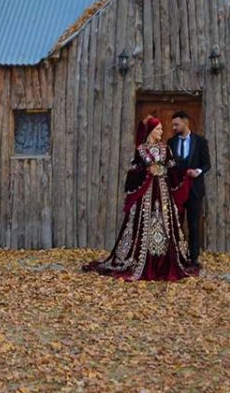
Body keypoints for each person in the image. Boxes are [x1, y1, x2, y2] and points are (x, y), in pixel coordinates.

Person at [84, 115, 200, 281]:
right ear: (151, 131)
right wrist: (147, 172)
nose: (161, 131)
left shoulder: (165, 149)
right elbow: (132, 174)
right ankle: (138, 261)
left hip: (163, 194)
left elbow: (173, 171)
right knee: (139, 224)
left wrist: (180, 173)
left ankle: (166, 261)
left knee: (165, 223)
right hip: (144, 197)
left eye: (161, 129)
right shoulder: (140, 150)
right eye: (158, 129)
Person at [169, 110, 211, 265]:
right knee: (176, 224)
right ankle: (178, 257)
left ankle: (193, 259)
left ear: (185, 122)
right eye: (173, 125)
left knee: (193, 224)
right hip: (177, 190)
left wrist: (198, 171)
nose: (174, 127)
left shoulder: (200, 142)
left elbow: (207, 164)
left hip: (195, 190)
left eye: (176, 124)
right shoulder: (170, 142)